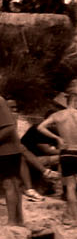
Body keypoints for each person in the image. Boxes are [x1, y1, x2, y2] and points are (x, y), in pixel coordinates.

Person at [29, 97, 77, 225]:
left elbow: (40, 127)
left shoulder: (57, 115)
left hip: (66, 153)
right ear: (75, 101)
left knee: (70, 187)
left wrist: (57, 138)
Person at [0, 92, 25, 226]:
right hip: (7, 150)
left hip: (7, 151)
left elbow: (9, 127)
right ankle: (18, 221)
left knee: (9, 184)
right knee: (13, 185)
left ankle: (12, 221)